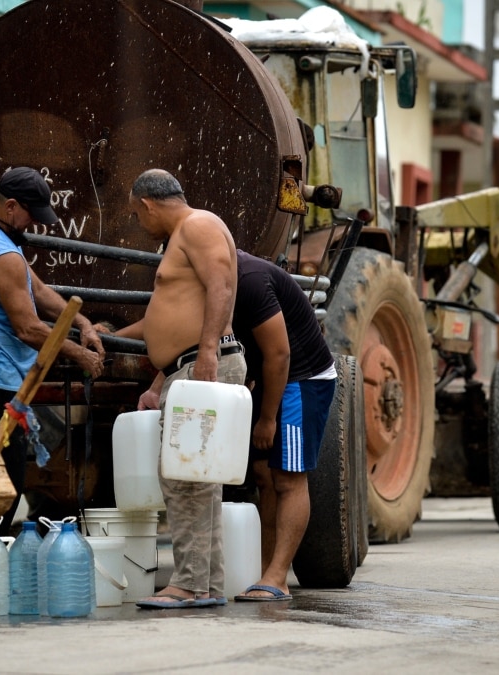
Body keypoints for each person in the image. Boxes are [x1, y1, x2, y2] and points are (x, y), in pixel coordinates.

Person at [0, 166, 105, 536]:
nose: (34, 223)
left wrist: (80, 322)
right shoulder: (3, 255)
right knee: (1, 489)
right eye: (31, 214)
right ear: (11, 206)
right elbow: (29, 327)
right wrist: (78, 355)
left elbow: (38, 291)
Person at [120, 168, 245, 609]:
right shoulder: (188, 233)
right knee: (199, 479)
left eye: (137, 214)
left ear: (148, 204)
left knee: (183, 475)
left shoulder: (197, 225)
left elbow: (222, 286)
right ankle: (205, 583)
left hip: (202, 364)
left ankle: (189, 583)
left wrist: (208, 350)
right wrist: (155, 368)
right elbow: (174, 314)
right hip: (188, 365)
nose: (140, 223)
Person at [231, 250, 336, 602]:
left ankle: (278, 577)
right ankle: (264, 571)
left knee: (288, 477)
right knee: (263, 475)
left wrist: (266, 419)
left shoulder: (250, 281)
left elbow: (281, 355)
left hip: (302, 379)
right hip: (267, 377)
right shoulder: (214, 276)